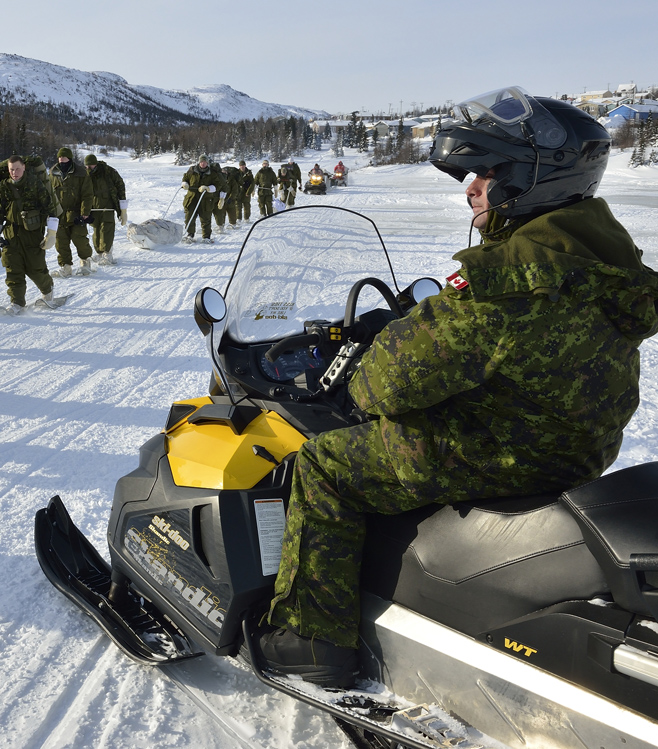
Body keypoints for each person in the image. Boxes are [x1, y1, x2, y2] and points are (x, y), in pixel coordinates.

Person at [253, 88, 658, 687]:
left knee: (324, 466)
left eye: (486, 173)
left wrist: (378, 353)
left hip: (498, 450)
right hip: (574, 451)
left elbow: (385, 385)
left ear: (528, 181)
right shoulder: (597, 258)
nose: (470, 187)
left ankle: (312, 638)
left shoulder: (516, 277)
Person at [0, 155, 59, 315]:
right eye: (11, 170)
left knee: (35, 268)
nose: (14, 172)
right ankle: (17, 302)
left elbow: (50, 209)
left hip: (32, 233)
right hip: (11, 234)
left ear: (24, 168)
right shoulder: (3, 187)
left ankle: (48, 290)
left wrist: (51, 233)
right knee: (12, 268)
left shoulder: (35, 184)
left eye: (17, 169)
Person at [49, 147, 95, 276]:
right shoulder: (53, 173)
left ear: (70, 159)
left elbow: (87, 194)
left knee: (79, 239)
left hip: (77, 213)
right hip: (59, 214)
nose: (62, 161)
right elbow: (48, 194)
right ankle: (66, 266)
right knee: (61, 241)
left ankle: (85, 262)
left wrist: (85, 212)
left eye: (64, 158)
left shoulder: (81, 173)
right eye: (60, 158)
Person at [83, 153, 127, 266]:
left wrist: (123, 208)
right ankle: (99, 252)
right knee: (96, 229)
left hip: (107, 205)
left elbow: (120, 185)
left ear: (95, 164)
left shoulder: (108, 171)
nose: (89, 168)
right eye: (86, 166)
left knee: (106, 228)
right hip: (93, 207)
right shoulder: (85, 175)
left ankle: (107, 253)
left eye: (91, 166)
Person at [181, 154, 223, 243]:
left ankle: (206, 237)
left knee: (206, 219)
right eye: (201, 162)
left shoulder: (212, 173)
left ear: (207, 163)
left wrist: (208, 188)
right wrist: (185, 184)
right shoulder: (192, 170)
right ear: (199, 162)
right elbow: (185, 178)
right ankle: (190, 235)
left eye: (204, 162)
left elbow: (218, 185)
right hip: (192, 198)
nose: (203, 164)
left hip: (206, 199)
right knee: (189, 217)